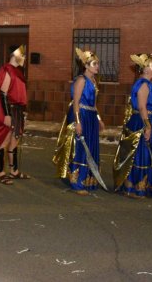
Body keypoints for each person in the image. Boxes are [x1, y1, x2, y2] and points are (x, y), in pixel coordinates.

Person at [112, 53, 152, 199]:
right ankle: (136, 188)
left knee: (149, 154)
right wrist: (147, 126)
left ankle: (147, 186)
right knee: (141, 154)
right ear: (146, 69)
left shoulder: (150, 84)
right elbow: (142, 107)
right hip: (144, 121)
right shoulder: (143, 84)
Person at [53, 48, 105, 195]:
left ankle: (88, 180)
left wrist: (99, 119)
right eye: (94, 63)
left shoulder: (94, 81)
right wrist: (78, 122)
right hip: (81, 114)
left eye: (97, 63)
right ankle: (77, 182)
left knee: (90, 146)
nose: (97, 66)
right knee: (80, 148)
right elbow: (75, 102)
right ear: (86, 65)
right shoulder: (81, 80)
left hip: (91, 116)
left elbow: (94, 104)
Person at [0, 44, 30, 185]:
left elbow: (21, 93)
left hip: (17, 110)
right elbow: (3, 93)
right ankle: (0, 173)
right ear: (15, 55)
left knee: (14, 141)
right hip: (10, 110)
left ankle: (14, 171)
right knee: (4, 142)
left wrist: (23, 112)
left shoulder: (18, 71)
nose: (24, 57)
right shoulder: (7, 70)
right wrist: (6, 114)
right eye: (22, 55)